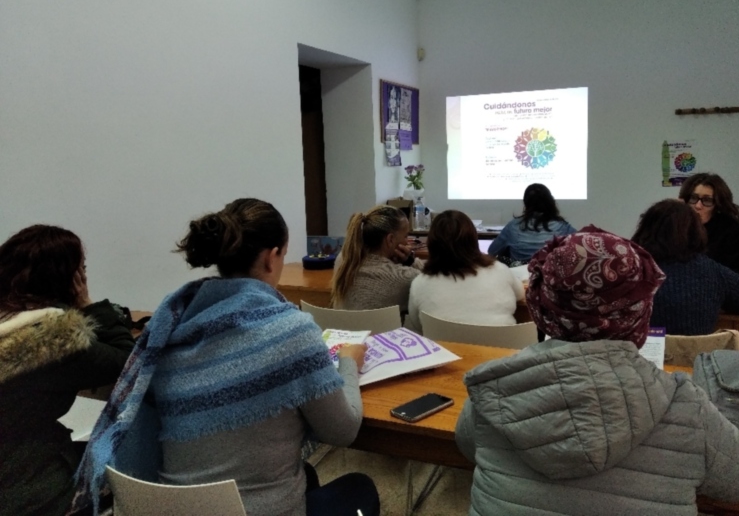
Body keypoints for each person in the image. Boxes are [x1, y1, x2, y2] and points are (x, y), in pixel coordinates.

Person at [72, 199, 380, 516]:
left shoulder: (172, 327)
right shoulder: (291, 332)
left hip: (175, 509)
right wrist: (348, 363)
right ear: (272, 258)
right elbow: (341, 431)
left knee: (308, 474)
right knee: (359, 487)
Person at [456, 226, 739, 516]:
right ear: (640, 309)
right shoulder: (685, 404)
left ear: (541, 303)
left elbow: (468, 445)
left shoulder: (493, 389)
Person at [0, 225, 134, 516]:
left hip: (12, 463)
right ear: (71, 278)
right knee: (130, 459)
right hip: (25, 488)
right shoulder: (50, 338)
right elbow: (126, 361)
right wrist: (88, 304)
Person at [632, 199, 739, 335]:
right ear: (695, 231)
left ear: (645, 229)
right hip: (696, 355)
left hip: (636, 355)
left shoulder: (627, 268)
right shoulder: (712, 271)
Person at [678, 172, 739, 353]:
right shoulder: (676, 229)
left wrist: (717, 281)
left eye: (706, 200)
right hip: (686, 306)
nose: (698, 206)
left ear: (717, 205)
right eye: (693, 199)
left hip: (727, 308)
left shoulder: (733, 232)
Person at [406, 210, 523, 334]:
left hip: (444, 352)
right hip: (505, 351)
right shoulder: (499, 270)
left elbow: (418, 325)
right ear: (473, 239)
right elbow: (520, 293)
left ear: (431, 243)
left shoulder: (420, 284)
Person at [332, 205, 422, 315]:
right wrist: (410, 261)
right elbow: (430, 280)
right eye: (405, 236)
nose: (407, 242)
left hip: (344, 332)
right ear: (390, 240)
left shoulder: (343, 261)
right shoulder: (403, 277)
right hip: (382, 333)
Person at [488, 183, 576, 265]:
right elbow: (581, 248)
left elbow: (492, 251)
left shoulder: (513, 226)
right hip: (549, 277)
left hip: (520, 277)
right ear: (550, 201)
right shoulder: (563, 227)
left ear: (526, 203)